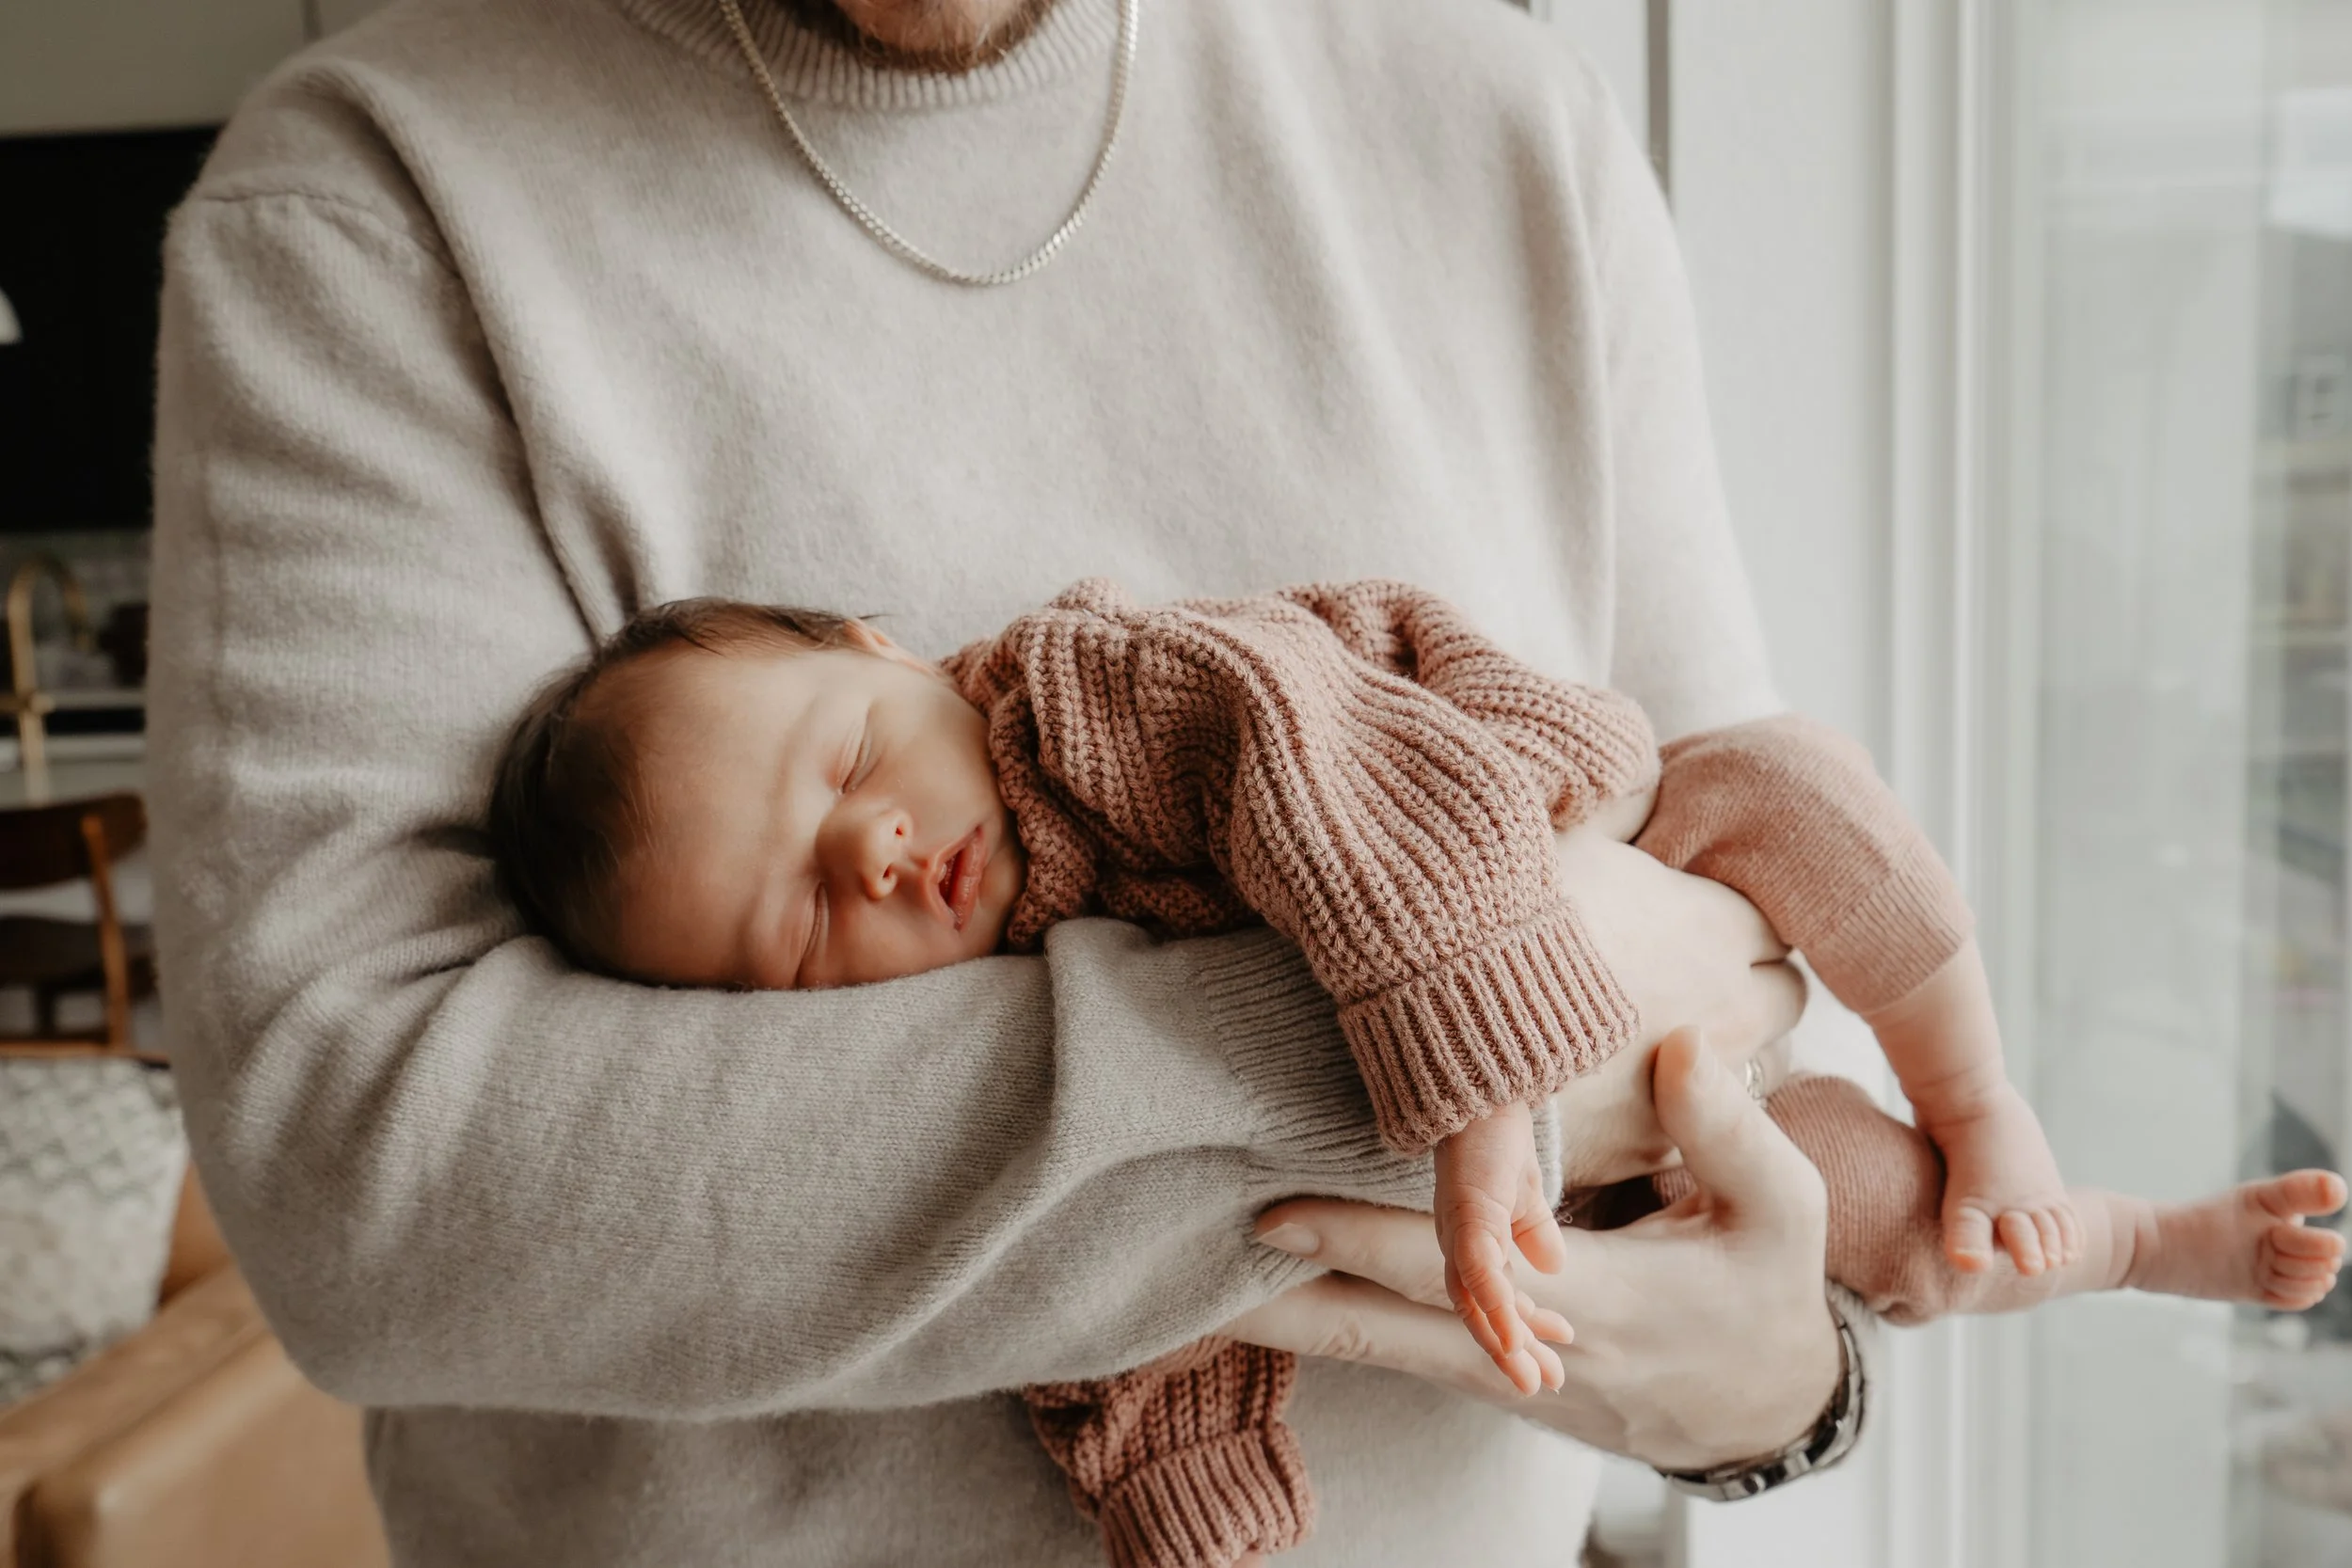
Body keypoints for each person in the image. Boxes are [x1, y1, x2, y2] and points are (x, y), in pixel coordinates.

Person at [153, 0, 1889, 1560]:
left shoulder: (1508, 122)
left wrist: (1778, 1392)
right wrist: (1439, 1048)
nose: (885, 853)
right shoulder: (377, 210)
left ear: (881, 650)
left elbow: (1749, 934)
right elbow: (384, 1195)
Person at [482, 579, 2348, 1566]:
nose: (876, 850)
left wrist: (1480, 1096)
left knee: (1798, 791)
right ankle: (2114, 1236)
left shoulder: (1085, 694)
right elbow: (1134, 1298)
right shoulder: (1034, 963)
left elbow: (1332, 776)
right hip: (1613, 1206)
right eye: (806, 924)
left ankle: (1979, 1085)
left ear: (885, 645)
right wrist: (1183, 1505)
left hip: (1596, 815)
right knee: (1882, 1225)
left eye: (837, 765)